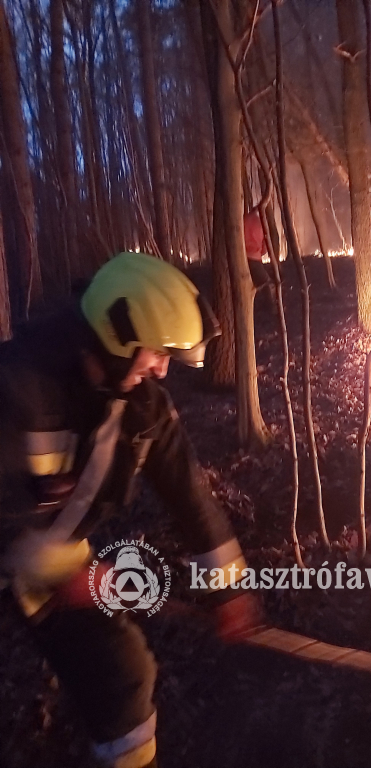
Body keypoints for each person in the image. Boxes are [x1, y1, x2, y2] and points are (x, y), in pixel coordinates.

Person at [0, 252, 260, 768]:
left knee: (121, 673)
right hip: (23, 552)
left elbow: (189, 494)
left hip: (48, 567)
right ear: (119, 334)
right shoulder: (17, 387)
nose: (162, 368)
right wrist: (63, 569)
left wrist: (228, 590)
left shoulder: (143, 407)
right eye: (157, 352)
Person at [243, 207, 274, 298]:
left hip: (241, 258)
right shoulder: (261, 223)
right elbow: (264, 248)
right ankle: (270, 305)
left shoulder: (243, 220)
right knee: (266, 284)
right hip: (254, 259)